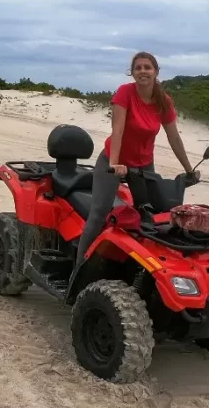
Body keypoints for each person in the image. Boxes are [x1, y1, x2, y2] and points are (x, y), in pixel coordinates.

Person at [73, 51, 200, 265]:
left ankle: (140, 268)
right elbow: (118, 130)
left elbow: (174, 137)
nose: (143, 71)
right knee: (98, 214)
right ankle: (78, 269)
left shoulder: (163, 101)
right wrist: (114, 163)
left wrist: (189, 169)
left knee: (150, 215)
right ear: (132, 73)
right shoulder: (125, 93)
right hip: (114, 161)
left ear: (156, 72)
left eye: (147, 67)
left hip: (143, 164)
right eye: (138, 67)